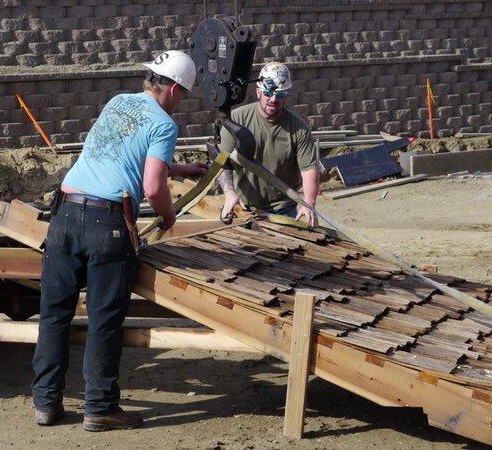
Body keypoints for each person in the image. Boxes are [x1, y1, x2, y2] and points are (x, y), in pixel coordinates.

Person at [31, 50, 207, 432]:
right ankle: (99, 408)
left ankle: (45, 403)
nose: (181, 101)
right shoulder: (164, 124)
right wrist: (169, 215)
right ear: (174, 89)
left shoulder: (118, 102)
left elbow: (120, 156)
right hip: (107, 223)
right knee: (104, 320)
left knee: (54, 315)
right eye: (184, 94)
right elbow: (152, 186)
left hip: (64, 214)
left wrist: (181, 168)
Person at [218, 62, 320, 227]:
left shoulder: (299, 129)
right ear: (258, 92)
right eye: (268, 93)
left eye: (280, 95)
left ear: (287, 95)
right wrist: (229, 192)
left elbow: (309, 170)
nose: (273, 100)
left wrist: (309, 204)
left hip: (283, 210)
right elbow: (221, 163)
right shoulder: (236, 121)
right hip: (243, 207)